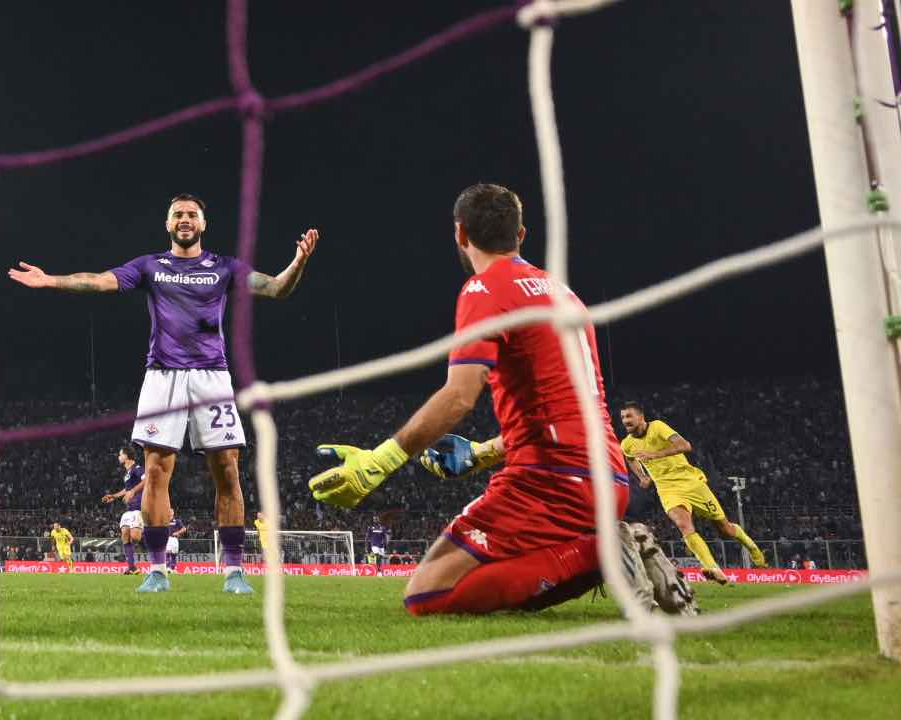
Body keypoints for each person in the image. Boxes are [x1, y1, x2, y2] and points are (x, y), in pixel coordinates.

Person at [309, 183, 691, 616]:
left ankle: (601, 554)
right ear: (522, 234)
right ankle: (604, 549)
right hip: (606, 476)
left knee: (427, 595)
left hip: (551, 481)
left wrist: (381, 461)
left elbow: (458, 396)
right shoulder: (563, 294)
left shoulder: (485, 289)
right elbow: (567, 407)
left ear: (460, 235)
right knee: (504, 575)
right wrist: (483, 452)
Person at [10, 192, 319, 594]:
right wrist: (52, 280)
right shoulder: (150, 266)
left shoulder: (225, 267)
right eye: (178, 214)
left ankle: (234, 571)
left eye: (192, 214)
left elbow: (277, 289)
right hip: (163, 377)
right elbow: (102, 281)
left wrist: (299, 261)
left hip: (212, 376)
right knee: (156, 471)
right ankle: (157, 570)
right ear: (168, 224)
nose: (185, 219)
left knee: (227, 468)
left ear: (203, 224)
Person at [619, 402, 766, 585]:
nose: (626, 420)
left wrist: (655, 455)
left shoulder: (657, 427)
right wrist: (642, 476)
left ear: (641, 417)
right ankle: (713, 567)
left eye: (629, 416)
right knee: (684, 525)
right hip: (666, 488)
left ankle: (751, 546)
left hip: (690, 481)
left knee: (725, 529)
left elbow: (685, 445)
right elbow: (630, 458)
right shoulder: (627, 444)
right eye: (623, 417)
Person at [103, 447, 146, 575]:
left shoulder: (137, 468)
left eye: (120, 454)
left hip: (138, 506)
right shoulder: (127, 473)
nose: (118, 456)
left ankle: (156, 539)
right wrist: (114, 496)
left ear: (127, 456)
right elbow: (127, 489)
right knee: (125, 536)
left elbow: (146, 480)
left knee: (135, 536)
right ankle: (132, 567)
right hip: (129, 508)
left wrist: (133, 491)